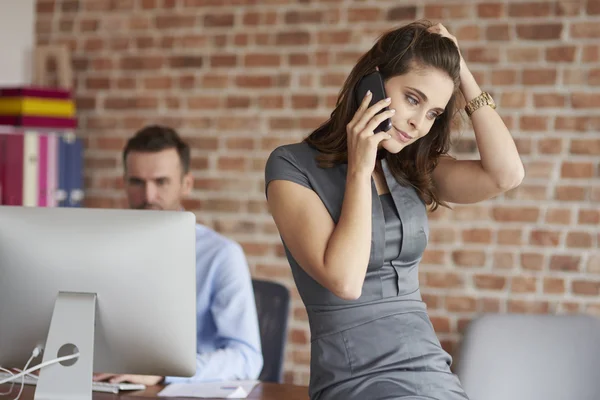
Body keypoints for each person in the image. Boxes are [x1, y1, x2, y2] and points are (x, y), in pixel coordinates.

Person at [264, 21, 524, 400]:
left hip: (431, 370)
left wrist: (462, 71)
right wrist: (359, 168)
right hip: (354, 376)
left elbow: (507, 175)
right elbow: (346, 281)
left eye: (434, 113)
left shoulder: (412, 168)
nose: (419, 124)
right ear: (371, 83)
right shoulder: (290, 167)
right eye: (413, 99)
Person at [94, 125, 263, 385]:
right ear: (124, 183)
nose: (148, 196)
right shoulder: (101, 249)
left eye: (161, 182)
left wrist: (162, 372)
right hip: (111, 383)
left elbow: (246, 357)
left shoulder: (221, 255)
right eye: (137, 182)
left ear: (187, 184)